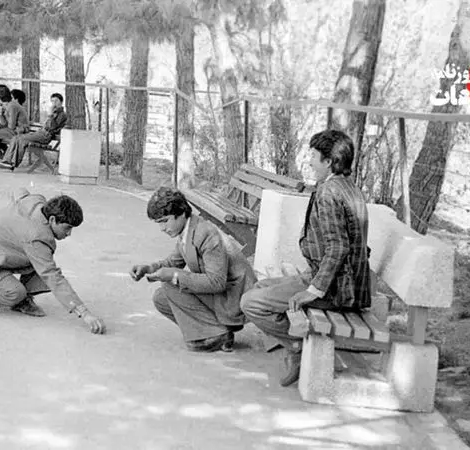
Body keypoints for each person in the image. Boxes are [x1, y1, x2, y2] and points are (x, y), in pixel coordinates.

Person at [240, 129, 371, 386]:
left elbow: (338, 247)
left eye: (313, 156)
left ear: (329, 161)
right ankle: (292, 343)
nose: (309, 161)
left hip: (338, 290)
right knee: (260, 286)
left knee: (250, 302)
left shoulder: (330, 193)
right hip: (345, 282)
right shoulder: (346, 187)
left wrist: (313, 290)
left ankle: (298, 348)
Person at [0, 188, 106, 334]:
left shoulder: (39, 205)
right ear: (52, 220)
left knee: (41, 262)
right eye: (67, 228)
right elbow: (53, 277)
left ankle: (12, 292)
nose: (69, 233)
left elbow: (21, 193)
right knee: (15, 292)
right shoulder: (38, 237)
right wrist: (85, 313)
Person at [130, 188, 256, 352]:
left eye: (165, 221)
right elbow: (173, 261)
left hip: (234, 300)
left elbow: (217, 282)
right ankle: (217, 332)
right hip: (224, 294)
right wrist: (149, 268)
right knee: (161, 298)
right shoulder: (188, 229)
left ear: (181, 213)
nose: (162, 228)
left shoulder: (206, 233)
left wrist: (174, 275)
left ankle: (217, 334)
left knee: (170, 285)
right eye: (158, 223)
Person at [0, 93, 67, 170]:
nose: (54, 103)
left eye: (56, 101)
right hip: (40, 133)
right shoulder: (54, 112)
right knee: (17, 137)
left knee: (22, 139)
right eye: (52, 101)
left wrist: (50, 115)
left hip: (46, 135)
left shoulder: (62, 114)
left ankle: (12, 163)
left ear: (61, 102)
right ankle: (7, 161)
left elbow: (52, 127)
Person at [0, 89, 30, 161]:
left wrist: (3, 123)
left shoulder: (13, 106)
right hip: (14, 130)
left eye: (11, 97)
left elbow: (11, 126)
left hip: (18, 132)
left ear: (16, 99)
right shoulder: (11, 106)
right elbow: (5, 123)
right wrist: (0, 113)